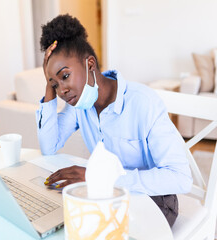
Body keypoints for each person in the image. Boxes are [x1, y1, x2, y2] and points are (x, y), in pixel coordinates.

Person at [36, 14, 192, 227]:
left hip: (154, 200)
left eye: (64, 76)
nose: (62, 90)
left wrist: (98, 177)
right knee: (60, 219)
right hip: (107, 193)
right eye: (54, 84)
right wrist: (49, 88)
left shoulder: (143, 103)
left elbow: (180, 178)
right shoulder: (80, 104)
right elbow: (49, 145)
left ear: (90, 64)